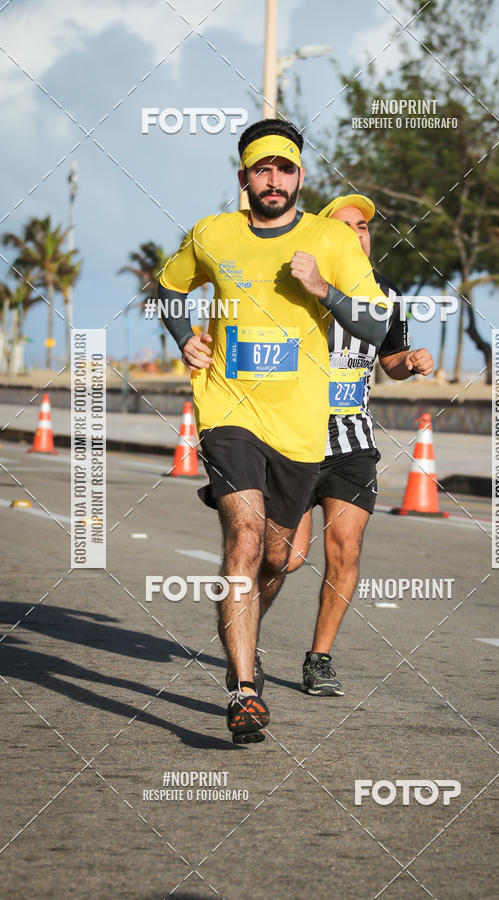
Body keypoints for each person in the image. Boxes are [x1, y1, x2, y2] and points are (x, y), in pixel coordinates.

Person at [158, 121, 391, 743]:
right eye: (261, 169)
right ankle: (244, 691)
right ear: (244, 178)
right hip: (228, 412)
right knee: (244, 534)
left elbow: (376, 324)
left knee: (280, 556)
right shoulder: (212, 233)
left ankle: (244, 632)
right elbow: (169, 286)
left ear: (300, 178)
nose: (273, 180)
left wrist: (322, 289)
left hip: (300, 426)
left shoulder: (330, 239)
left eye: (284, 169)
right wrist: (184, 336)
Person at [286, 194, 434, 696]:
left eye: (364, 226)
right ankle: (248, 640)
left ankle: (319, 659)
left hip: (352, 442)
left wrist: (408, 362)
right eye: (345, 226)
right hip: (294, 439)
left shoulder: (387, 293)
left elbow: (389, 359)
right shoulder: (300, 287)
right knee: (285, 558)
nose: (358, 233)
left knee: (345, 550)